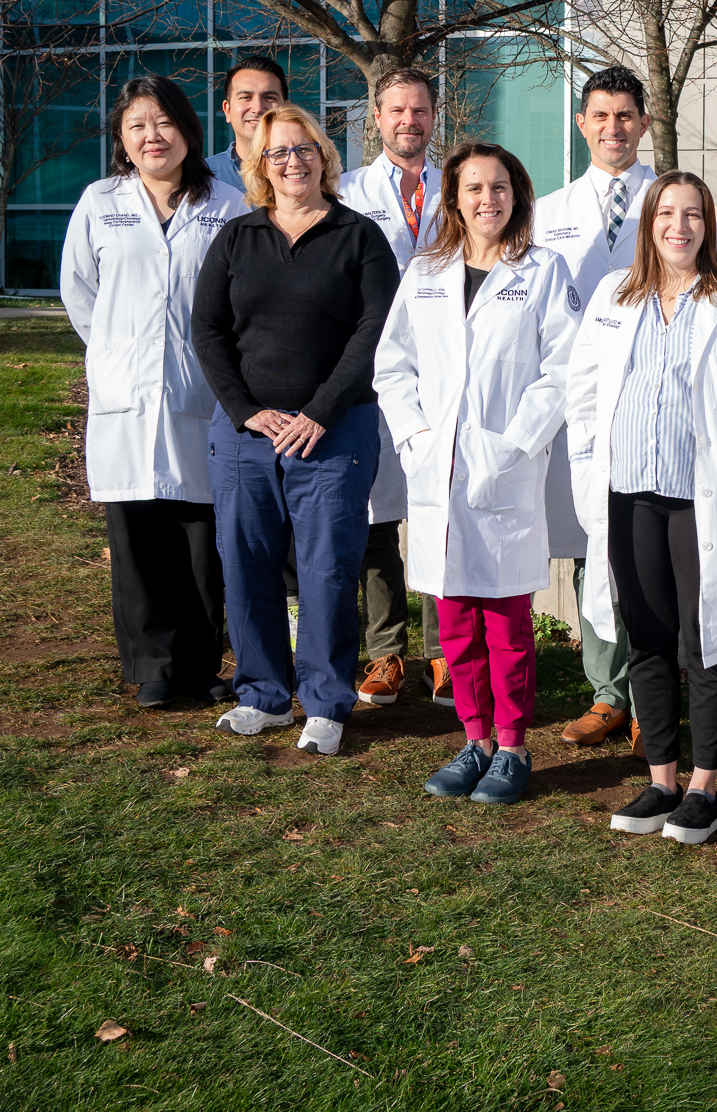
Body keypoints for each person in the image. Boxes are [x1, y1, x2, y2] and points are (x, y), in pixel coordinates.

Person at [566, 170, 717, 846]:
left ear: (707, 225)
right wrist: (586, 458)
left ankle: (703, 789)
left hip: (700, 497)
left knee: (705, 639)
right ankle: (660, 780)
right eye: (666, 214)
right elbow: (584, 387)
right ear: (648, 223)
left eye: (692, 215)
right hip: (628, 492)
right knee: (647, 638)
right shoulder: (614, 294)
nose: (679, 227)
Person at [193, 103, 400, 757]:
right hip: (248, 435)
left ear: (324, 157)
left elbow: (375, 331)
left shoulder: (358, 237)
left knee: (327, 570)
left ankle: (326, 702)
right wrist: (244, 410)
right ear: (260, 165)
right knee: (247, 564)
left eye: (304, 148)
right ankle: (262, 695)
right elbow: (208, 330)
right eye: (278, 152)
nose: (292, 161)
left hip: (333, 433)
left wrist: (319, 411)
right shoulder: (236, 239)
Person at [374, 143, 579, 804]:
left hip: (504, 469)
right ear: (454, 199)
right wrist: (415, 436)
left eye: (499, 187)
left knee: (508, 625)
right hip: (439, 471)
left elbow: (565, 368)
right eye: (473, 189)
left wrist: (515, 443)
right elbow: (393, 364)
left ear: (516, 195)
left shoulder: (543, 271)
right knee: (456, 620)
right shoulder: (427, 271)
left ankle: (514, 746)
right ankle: (475, 740)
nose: (487, 199)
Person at [539, 66, 717, 755]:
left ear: (645, 124)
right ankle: (608, 692)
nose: (614, 127)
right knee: (600, 556)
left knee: (670, 574)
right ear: (582, 123)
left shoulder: (675, 202)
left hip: (677, 436)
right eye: (601, 115)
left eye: (627, 115)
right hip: (597, 418)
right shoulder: (549, 213)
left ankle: (664, 700)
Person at [61, 75, 250, 709]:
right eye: (137, 125)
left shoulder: (228, 206)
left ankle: (200, 664)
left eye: (163, 122)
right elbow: (80, 292)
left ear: (188, 131)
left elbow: (241, 301)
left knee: (203, 541)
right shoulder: (100, 201)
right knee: (137, 538)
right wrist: (120, 355)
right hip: (126, 397)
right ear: (122, 137)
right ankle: (152, 669)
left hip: (205, 395)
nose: (151, 136)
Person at [338, 67, 445, 708]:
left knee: (436, 513)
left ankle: (442, 656)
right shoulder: (349, 191)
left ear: (435, 117)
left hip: (441, 372)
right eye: (397, 111)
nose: (409, 120)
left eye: (421, 110)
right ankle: (386, 653)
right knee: (377, 518)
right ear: (376, 118)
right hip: (370, 370)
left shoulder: (457, 188)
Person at [205, 57, 289, 192]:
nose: (258, 108)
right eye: (245, 97)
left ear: (287, 110)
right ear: (227, 110)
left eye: (269, 98)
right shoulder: (202, 177)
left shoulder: (307, 173)